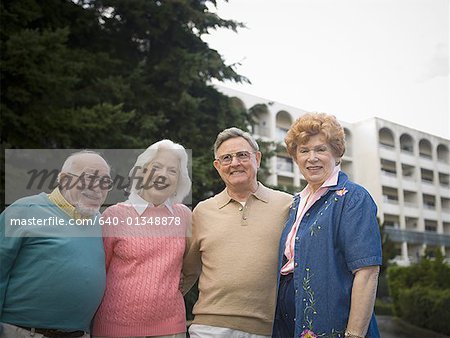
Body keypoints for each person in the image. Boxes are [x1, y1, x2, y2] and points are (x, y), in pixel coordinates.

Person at [272, 113, 382, 338]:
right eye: (304, 151)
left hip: (333, 325)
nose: (311, 158)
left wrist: (354, 335)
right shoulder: (295, 204)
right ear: (296, 157)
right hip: (288, 323)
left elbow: (367, 272)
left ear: (336, 152)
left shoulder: (352, 198)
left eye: (320, 149)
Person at [183, 127, 292, 338]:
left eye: (242, 155)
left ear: (257, 159)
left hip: (269, 329)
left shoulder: (287, 205)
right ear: (217, 166)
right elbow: (188, 272)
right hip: (209, 329)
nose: (234, 163)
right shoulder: (202, 211)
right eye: (226, 158)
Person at [0, 150, 112, 338]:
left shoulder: (102, 223)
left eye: (105, 182)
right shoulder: (25, 210)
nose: (98, 188)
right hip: (20, 331)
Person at [92, 140, 192, 338]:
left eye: (172, 171)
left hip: (171, 328)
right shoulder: (114, 215)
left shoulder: (184, 216)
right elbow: (97, 271)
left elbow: (191, 265)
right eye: (156, 167)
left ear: (179, 181)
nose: (163, 175)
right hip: (115, 327)